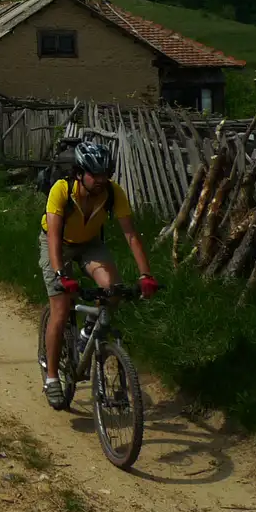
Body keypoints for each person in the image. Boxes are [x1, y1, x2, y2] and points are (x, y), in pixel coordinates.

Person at [39, 139, 159, 409]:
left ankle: (87, 333)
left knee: (112, 289)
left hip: (90, 244)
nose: (102, 179)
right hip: (57, 244)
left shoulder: (113, 193)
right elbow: (54, 237)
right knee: (60, 309)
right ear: (80, 173)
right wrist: (60, 273)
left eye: (106, 174)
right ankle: (51, 379)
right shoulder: (62, 189)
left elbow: (131, 235)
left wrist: (145, 275)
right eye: (96, 174)